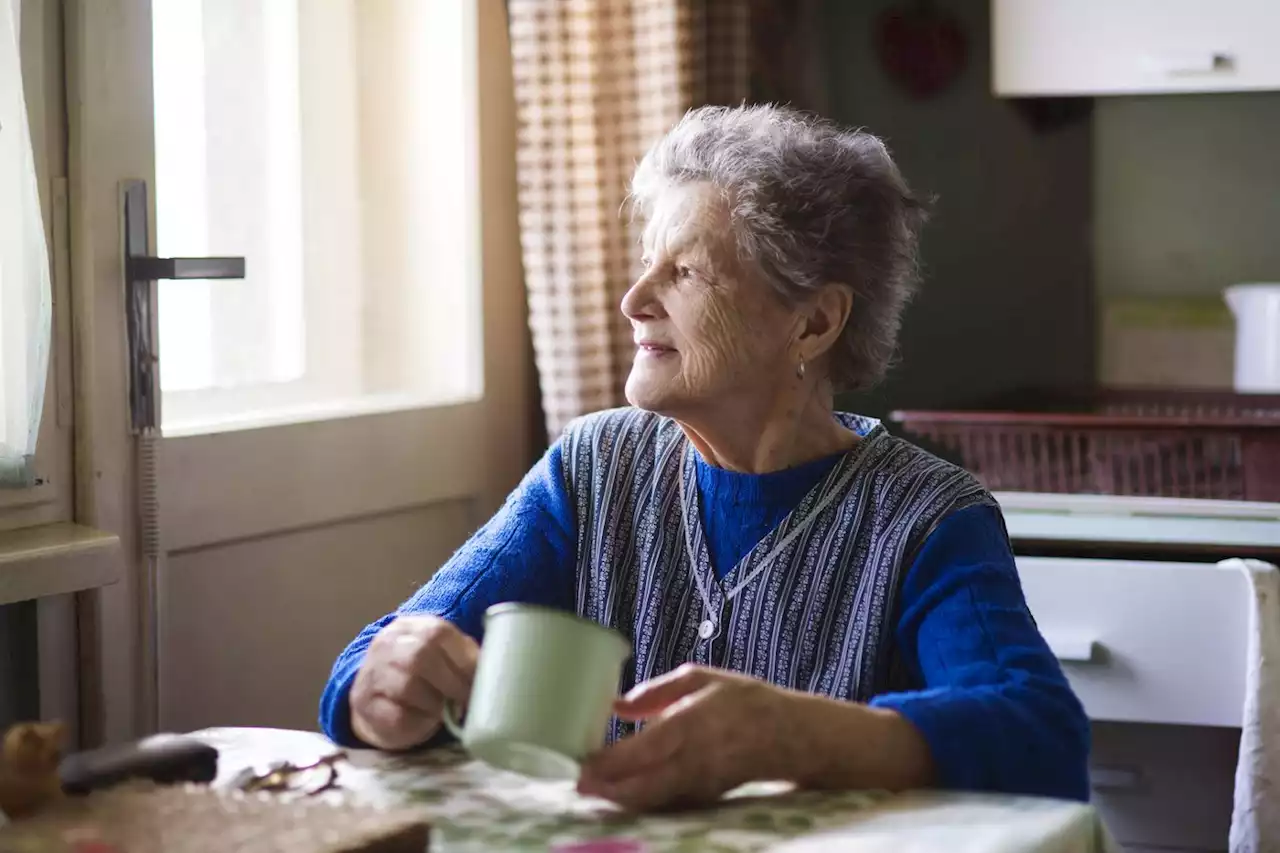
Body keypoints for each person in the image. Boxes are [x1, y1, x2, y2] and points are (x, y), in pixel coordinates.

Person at [320, 104, 1090, 811]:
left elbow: (1042, 736)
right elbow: (375, 661)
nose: (633, 299)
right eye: (649, 261)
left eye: (684, 271)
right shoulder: (593, 469)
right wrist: (380, 691)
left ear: (815, 322)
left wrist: (795, 734)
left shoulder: (925, 516)